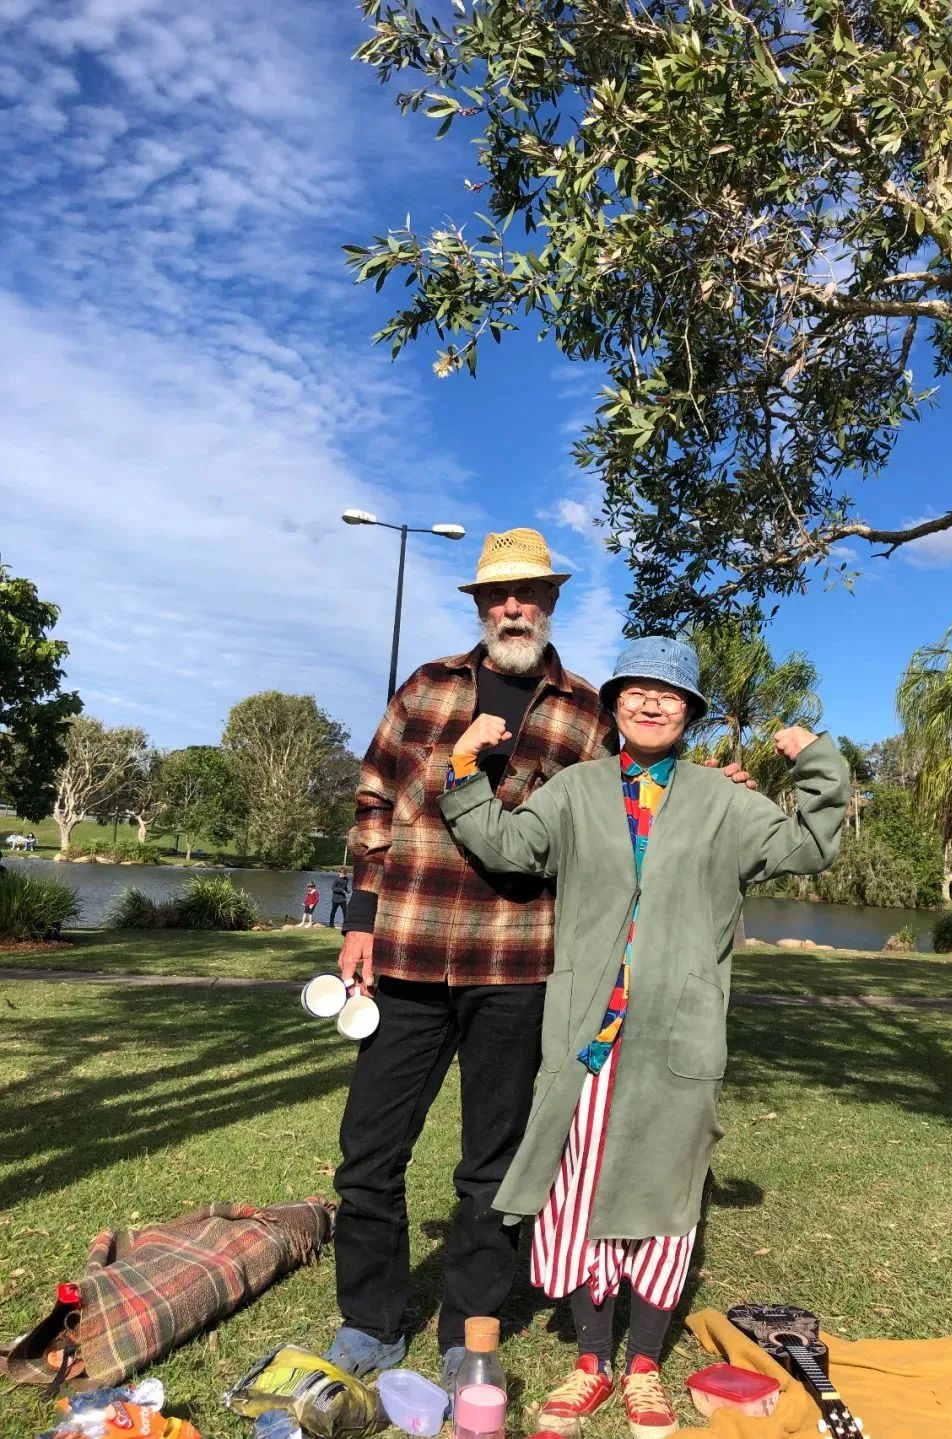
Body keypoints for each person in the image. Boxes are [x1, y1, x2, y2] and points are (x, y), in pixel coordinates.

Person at [328, 529, 754, 1388]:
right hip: (408, 950)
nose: (513, 607)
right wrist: (361, 919)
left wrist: (714, 792)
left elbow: (639, 798)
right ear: (481, 605)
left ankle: (469, 1324)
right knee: (369, 1153)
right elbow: (373, 798)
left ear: (551, 601)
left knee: (494, 1162)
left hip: (521, 964)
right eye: (498, 594)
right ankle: (370, 1321)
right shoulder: (427, 686)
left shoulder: (589, 711)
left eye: (528, 592)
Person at [438, 636, 850, 1439]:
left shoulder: (723, 800)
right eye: (637, 689)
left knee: (666, 1197)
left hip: (677, 1035)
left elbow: (808, 844)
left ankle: (645, 1365)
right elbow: (507, 845)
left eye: (671, 693)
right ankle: (592, 1359)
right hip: (586, 1036)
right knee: (578, 1191)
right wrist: (464, 767)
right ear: (615, 704)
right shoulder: (575, 790)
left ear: (689, 712)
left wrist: (816, 763)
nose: (653, 702)